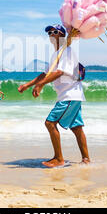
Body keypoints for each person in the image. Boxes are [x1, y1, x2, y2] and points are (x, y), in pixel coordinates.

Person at [18, 24, 90, 168]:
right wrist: (29, 85)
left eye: (55, 31)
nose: (51, 34)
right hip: (71, 95)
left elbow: (59, 72)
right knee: (77, 127)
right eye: (49, 32)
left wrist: (41, 85)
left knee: (50, 123)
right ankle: (86, 159)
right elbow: (46, 74)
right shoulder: (56, 54)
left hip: (69, 95)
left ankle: (59, 159)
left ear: (62, 35)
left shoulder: (67, 51)